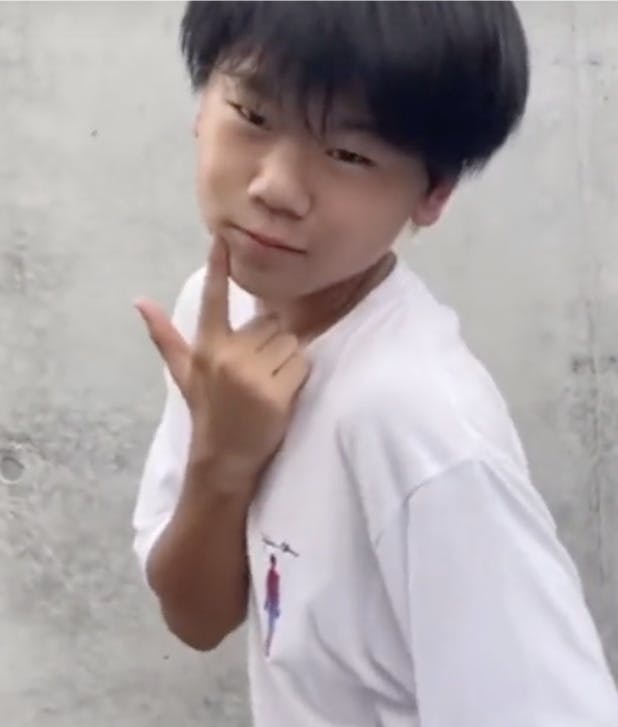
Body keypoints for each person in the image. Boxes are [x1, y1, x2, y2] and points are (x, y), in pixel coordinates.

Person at [132, 2, 618, 725]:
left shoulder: (418, 423)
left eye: (350, 155)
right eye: (253, 115)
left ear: (434, 193)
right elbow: (197, 618)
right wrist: (221, 464)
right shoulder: (222, 309)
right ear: (202, 104)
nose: (276, 187)